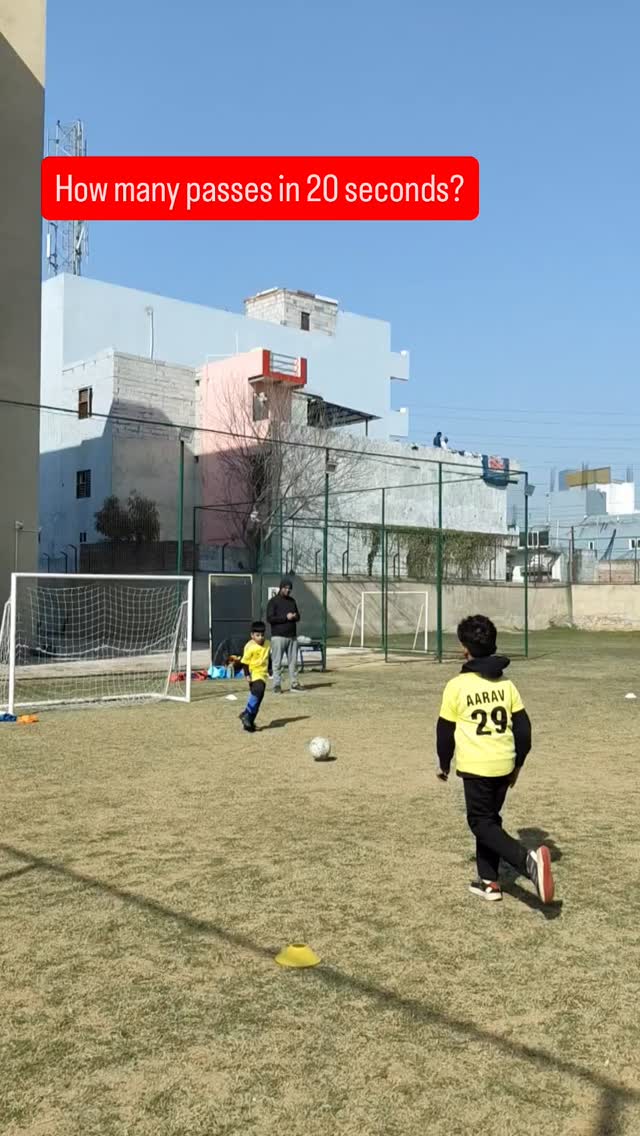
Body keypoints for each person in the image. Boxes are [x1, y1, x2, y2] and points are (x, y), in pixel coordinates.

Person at [435, 614, 554, 905]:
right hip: (504, 764)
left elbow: (444, 730)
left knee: (480, 823)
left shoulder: (457, 686)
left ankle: (528, 863)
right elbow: (524, 729)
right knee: (490, 821)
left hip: (476, 767)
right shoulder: (507, 685)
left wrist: (443, 762)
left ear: (465, 648)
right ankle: (489, 882)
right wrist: (518, 764)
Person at [266, 579, 303, 693]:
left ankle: (294, 684)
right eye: (286, 588)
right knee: (277, 662)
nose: (288, 590)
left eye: (289, 589)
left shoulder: (292, 601)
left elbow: (298, 616)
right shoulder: (273, 601)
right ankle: (277, 685)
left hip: (292, 636)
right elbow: (270, 618)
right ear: (281, 588)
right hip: (278, 636)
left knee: (293, 662)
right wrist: (285, 617)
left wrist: (294, 616)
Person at [239, 621, 270, 732]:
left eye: (262, 635)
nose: (260, 637)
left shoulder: (267, 644)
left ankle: (249, 722)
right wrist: (247, 674)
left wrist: (270, 669)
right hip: (254, 673)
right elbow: (245, 662)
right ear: (252, 635)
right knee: (258, 690)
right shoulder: (249, 646)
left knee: (258, 699)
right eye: (257, 635)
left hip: (263, 674)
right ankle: (246, 714)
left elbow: (267, 657)